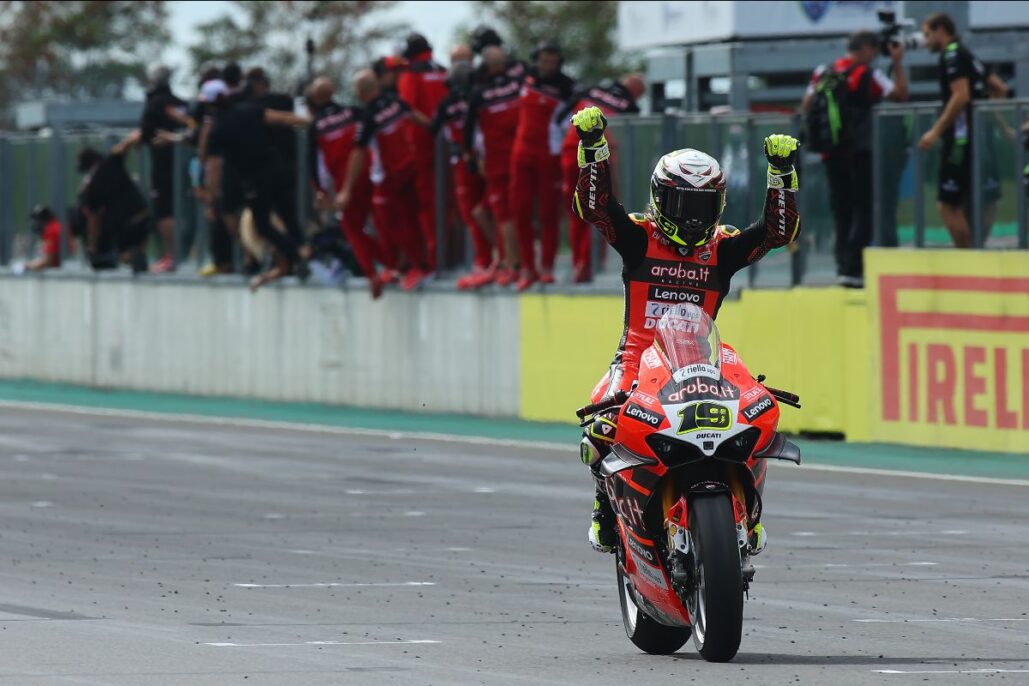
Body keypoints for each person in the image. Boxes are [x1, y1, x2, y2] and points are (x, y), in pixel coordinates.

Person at [568, 105, 801, 553]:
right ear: (659, 199)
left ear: (719, 206)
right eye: (682, 205)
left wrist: (781, 175)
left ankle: (748, 513)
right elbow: (595, 208)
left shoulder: (723, 249)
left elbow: (776, 233)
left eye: (703, 206)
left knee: (758, 421)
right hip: (638, 359)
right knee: (599, 421)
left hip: (704, 361)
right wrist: (593, 148)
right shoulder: (640, 238)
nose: (693, 218)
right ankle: (604, 506)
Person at [801, 31, 908, 287]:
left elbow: (807, 104)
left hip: (830, 152)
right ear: (867, 49)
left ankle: (842, 266)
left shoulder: (822, 71)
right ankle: (854, 268)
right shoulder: (867, 73)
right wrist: (897, 62)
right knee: (864, 209)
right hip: (859, 152)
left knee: (841, 211)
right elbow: (900, 94)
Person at [203, 79, 311, 291]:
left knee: (263, 225)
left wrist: (211, 198)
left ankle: (299, 253)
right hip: (276, 171)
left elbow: (214, 166)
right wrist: (308, 122)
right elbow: (279, 118)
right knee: (288, 216)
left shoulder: (217, 128)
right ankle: (295, 257)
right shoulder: (248, 109)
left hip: (254, 180)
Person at [918, 11, 1009, 248]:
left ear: (941, 30)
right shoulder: (970, 55)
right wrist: (999, 124)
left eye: (927, 35)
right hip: (982, 136)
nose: (925, 42)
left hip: (960, 139)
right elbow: (999, 89)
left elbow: (961, 96)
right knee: (985, 197)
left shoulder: (951, 55)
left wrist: (935, 132)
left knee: (947, 204)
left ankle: (967, 255)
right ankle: (978, 247)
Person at [339, 69, 431, 292]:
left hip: (389, 177)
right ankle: (402, 265)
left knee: (396, 224)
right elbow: (418, 117)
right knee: (407, 220)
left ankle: (418, 266)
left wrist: (346, 189)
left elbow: (358, 152)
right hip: (410, 167)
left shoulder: (368, 115)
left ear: (360, 92)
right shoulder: (395, 101)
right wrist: (435, 128)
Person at [553, 74, 646, 283]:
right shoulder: (631, 108)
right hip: (602, 157)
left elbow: (559, 118)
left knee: (576, 211)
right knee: (601, 211)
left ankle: (580, 264)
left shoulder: (590, 89)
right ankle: (590, 265)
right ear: (636, 93)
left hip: (571, 149)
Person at [307, 76, 393, 298]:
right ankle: (396, 263)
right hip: (373, 173)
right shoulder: (355, 112)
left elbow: (314, 165)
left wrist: (320, 191)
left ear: (315, 99)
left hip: (347, 182)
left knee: (352, 228)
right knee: (383, 221)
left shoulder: (316, 126)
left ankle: (376, 272)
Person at [509, 40, 575, 290]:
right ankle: (528, 267)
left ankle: (547, 266)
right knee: (521, 211)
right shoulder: (526, 76)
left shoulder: (566, 86)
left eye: (552, 59)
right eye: (543, 58)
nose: (547, 63)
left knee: (548, 212)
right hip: (521, 153)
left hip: (549, 154)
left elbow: (571, 117)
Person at [431, 50, 497, 290]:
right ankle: (492, 260)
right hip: (476, 158)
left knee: (478, 213)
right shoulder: (477, 98)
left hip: (470, 159)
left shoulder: (452, 103)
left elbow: (432, 128)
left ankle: (490, 261)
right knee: (483, 212)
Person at [464, 46, 523, 286]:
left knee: (505, 216)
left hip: (497, 164)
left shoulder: (479, 93)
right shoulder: (519, 85)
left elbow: (467, 131)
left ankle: (513, 265)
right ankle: (512, 261)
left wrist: (471, 157)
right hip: (521, 158)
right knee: (515, 214)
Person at [398, 33, 449, 272]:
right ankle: (451, 255)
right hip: (447, 145)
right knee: (449, 202)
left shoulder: (411, 74)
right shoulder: (443, 71)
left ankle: (433, 256)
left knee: (426, 204)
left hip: (421, 147)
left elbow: (406, 109)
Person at [140, 63, 193, 273]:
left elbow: (146, 134)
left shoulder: (155, 103)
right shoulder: (180, 103)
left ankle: (171, 256)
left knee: (164, 210)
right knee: (185, 207)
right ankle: (184, 254)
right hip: (187, 161)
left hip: (163, 163)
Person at [76, 136, 151, 273]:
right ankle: (140, 255)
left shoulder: (92, 187)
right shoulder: (110, 161)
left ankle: (133, 257)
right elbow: (123, 146)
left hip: (123, 222)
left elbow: (94, 219)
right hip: (141, 212)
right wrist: (137, 138)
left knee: (124, 255)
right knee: (140, 238)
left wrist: (92, 245)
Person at [25, 205, 64, 271]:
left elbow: (48, 260)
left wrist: (27, 266)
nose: (35, 224)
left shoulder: (51, 230)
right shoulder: (56, 225)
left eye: (36, 220)